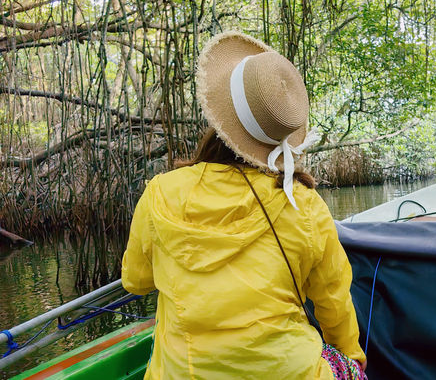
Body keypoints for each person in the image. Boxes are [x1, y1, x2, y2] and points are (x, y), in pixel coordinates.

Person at [121, 30, 367, 380]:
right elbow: (333, 302)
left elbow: (136, 281)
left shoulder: (161, 191)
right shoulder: (304, 204)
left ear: (220, 122)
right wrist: (352, 359)